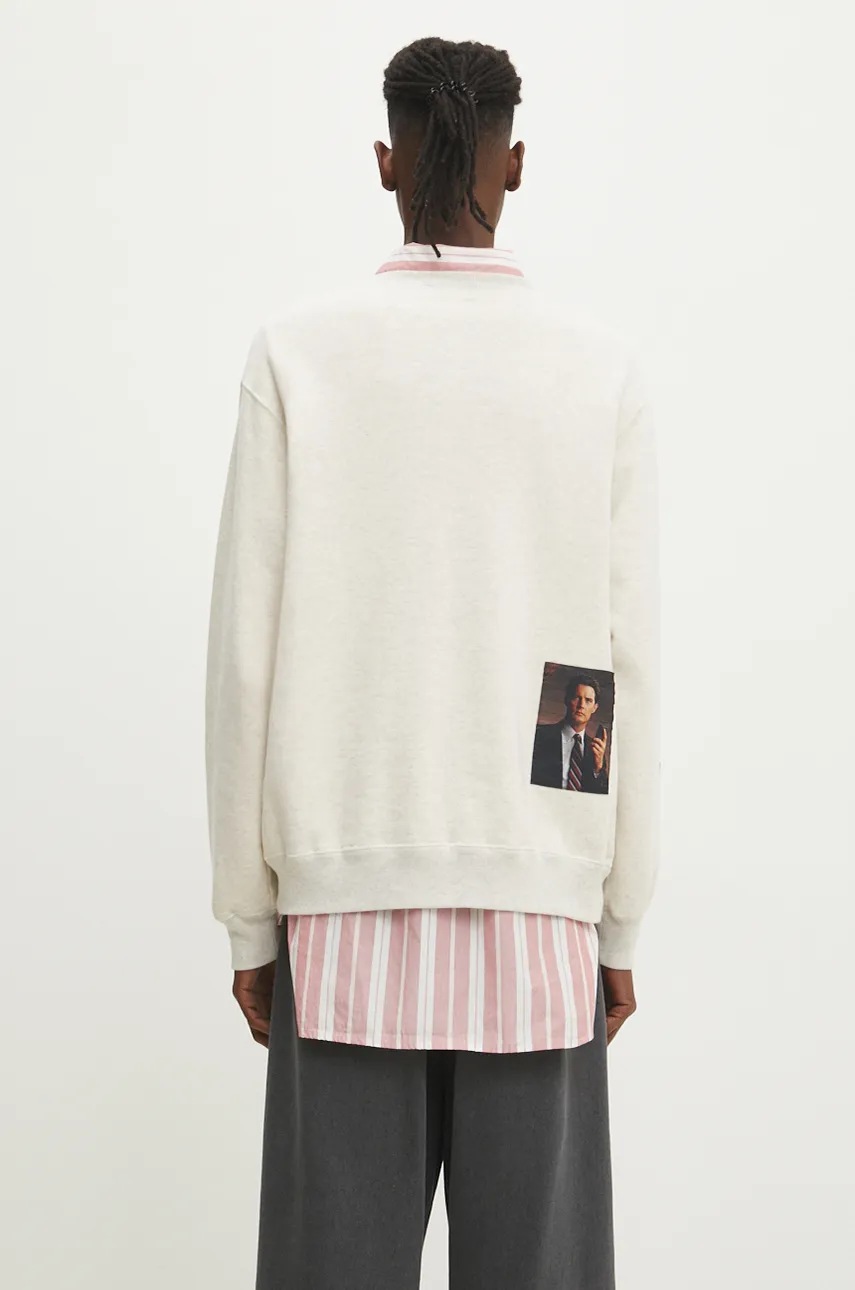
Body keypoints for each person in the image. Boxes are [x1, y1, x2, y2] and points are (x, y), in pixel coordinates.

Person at [204, 34, 661, 1290]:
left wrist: (249, 917)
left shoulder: (298, 353)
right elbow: (615, 658)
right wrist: (615, 906)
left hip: (341, 905)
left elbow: (246, 660)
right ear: (515, 163)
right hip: (537, 894)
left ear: (384, 161)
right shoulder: (596, 369)